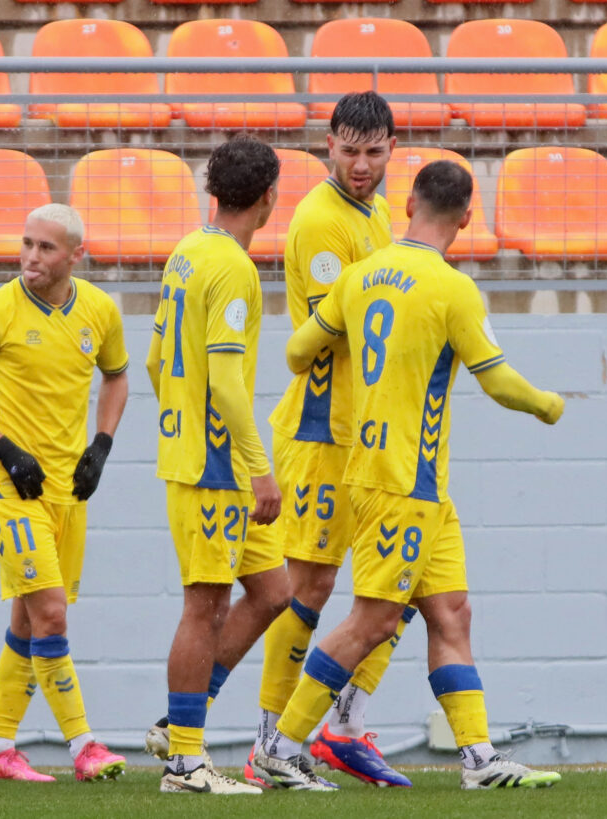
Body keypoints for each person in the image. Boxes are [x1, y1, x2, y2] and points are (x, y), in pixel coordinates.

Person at [251, 160, 565, 791]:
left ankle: (477, 758)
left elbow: (294, 352)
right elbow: (498, 381)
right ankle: (280, 749)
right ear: (468, 218)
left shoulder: (363, 276)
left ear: (408, 204)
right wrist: (549, 404)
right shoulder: (454, 290)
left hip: (402, 478)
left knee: (451, 611)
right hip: (401, 479)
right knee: (371, 619)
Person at [0, 203, 130, 783]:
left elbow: (117, 376)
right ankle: (84, 746)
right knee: (51, 614)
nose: (30, 258)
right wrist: (4, 448)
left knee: (28, 619)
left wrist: (102, 444)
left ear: (75, 255)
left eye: (45, 248)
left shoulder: (98, 309)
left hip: (66, 491)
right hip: (7, 488)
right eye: (25, 244)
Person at [253, 90, 413, 788]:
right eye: (349, 150)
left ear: (391, 151)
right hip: (322, 430)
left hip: (369, 430)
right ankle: (269, 743)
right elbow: (335, 326)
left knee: (404, 582)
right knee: (309, 587)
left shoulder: (375, 211)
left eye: (374, 151)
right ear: (328, 144)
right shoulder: (321, 222)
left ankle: (341, 724)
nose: (360, 164)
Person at [145, 135, 304, 794]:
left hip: (200, 453)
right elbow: (228, 384)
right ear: (269, 197)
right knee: (204, 606)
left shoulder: (186, 251)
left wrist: (177, 417)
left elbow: (157, 360)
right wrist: (259, 467)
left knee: (273, 592)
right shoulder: (234, 268)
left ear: (214, 191)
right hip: (216, 466)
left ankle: (177, 723)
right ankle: (185, 761)